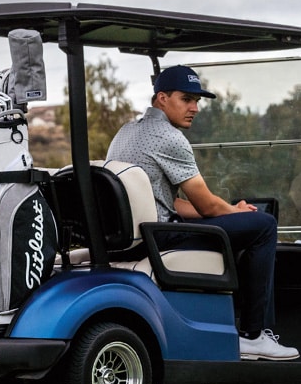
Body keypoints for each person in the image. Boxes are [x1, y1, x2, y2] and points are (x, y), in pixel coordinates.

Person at [106, 65, 299, 361]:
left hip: (133, 235)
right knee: (263, 225)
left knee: (236, 222)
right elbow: (207, 205)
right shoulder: (169, 137)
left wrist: (229, 213)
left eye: (197, 101)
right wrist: (234, 211)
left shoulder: (127, 132)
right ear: (162, 98)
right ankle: (253, 335)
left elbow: (166, 202)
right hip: (159, 239)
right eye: (186, 99)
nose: (194, 108)